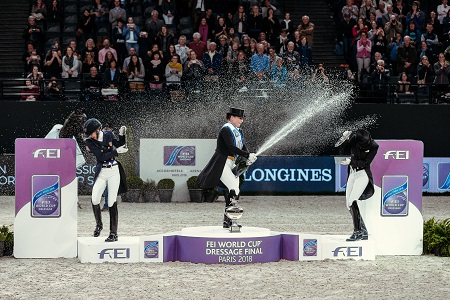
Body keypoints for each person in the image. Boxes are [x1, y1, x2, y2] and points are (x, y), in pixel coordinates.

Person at [197, 107, 257, 228]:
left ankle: (228, 219)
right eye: (240, 118)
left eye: (242, 118)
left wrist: (248, 156)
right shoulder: (226, 129)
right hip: (223, 162)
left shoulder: (238, 130)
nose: (242, 120)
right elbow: (231, 147)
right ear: (232, 117)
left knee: (235, 190)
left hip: (232, 163)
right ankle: (231, 219)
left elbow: (243, 146)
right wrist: (246, 155)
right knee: (234, 188)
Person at [83, 118, 128, 242]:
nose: (90, 136)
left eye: (91, 133)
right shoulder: (89, 142)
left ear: (98, 130)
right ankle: (99, 224)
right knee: (95, 198)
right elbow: (102, 156)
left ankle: (114, 233)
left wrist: (122, 135)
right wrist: (115, 151)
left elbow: (120, 144)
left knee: (111, 201)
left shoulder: (108, 134)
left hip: (113, 171)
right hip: (102, 171)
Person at [335, 129, 379, 241]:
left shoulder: (374, 146)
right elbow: (340, 149)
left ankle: (357, 232)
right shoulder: (354, 138)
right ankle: (364, 231)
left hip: (363, 174)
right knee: (348, 204)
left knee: (352, 201)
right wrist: (343, 138)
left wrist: (351, 162)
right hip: (352, 173)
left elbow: (366, 163)